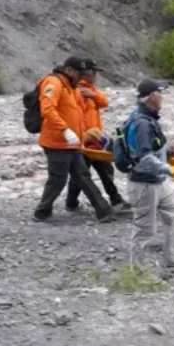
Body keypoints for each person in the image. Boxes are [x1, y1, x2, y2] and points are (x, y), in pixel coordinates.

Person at [32, 57, 115, 223]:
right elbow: (47, 109)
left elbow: (80, 113)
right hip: (56, 142)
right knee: (58, 179)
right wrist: (64, 129)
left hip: (73, 142)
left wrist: (88, 134)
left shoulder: (73, 87)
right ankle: (42, 211)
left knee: (83, 175)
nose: (82, 77)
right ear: (69, 70)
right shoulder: (54, 83)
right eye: (79, 73)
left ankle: (103, 210)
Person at [124, 78, 174, 277]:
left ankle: (170, 259)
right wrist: (173, 171)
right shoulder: (142, 123)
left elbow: (151, 150)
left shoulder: (147, 117)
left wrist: (169, 152)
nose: (162, 97)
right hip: (144, 184)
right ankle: (138, 273)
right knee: (144, 229)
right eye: (160, 93)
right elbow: (143, 159)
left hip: (157, 182)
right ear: (152, 96)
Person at [65, 60, 129, 212]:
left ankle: (72, 203)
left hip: (95, 138)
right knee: (93, 172)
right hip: (86, 139)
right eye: (93, 71)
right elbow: (75, 115)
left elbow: (104, 102)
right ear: (86, 72)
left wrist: (93, 95)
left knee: (86, 173)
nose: (95, 75)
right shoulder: (77, 91)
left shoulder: (89, 89)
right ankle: (115, 201)